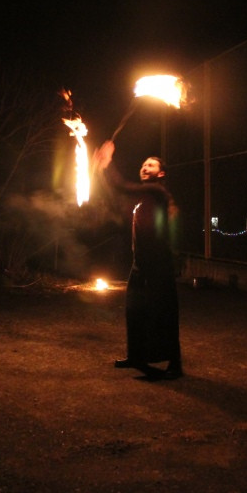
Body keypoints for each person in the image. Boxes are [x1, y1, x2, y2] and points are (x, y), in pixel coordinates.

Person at [94, 140, 183, 379]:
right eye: (144, 164)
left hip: (159, 265)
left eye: (151, 165)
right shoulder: (144, 198)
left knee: (163, 313)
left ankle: (175, 365)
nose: (145, 167)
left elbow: (122, 187)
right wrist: (102, 171)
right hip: (140, 265)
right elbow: (117, 193)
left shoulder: (157, 192)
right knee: (134, 311)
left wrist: (108, 162)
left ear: (160, 173)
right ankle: (135, 356)